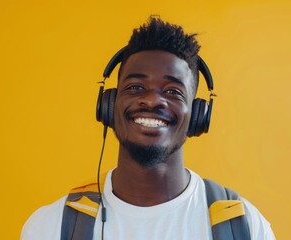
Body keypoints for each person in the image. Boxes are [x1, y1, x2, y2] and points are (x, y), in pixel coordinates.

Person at [21, 17, 275, 240]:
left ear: (198, 115)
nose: (152, 100)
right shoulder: (52, 226)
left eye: (173, 91)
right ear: (108, 105)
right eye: (135, 87)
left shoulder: (244, 226)